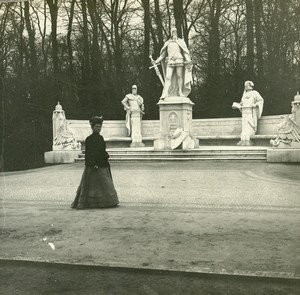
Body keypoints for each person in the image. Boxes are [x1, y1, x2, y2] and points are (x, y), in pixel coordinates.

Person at [71, 116, 119, 209]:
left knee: (104, 183)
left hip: (102, 163)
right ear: (92, 127)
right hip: (93, 165)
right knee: (91, 185)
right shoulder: (89, 139)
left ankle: (107, 202)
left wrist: (105, 155)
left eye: (99, 127)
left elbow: (102, 150)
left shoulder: (101, 138)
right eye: (96, 126)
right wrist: (93, 164)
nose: (98, 128)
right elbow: (89, 153)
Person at [154, 27, 193, 99]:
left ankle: (180, 92)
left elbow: (185, 52)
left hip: (179, 60)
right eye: (173, 32)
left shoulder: (181, 42)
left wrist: (188, 60)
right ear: (171, 33)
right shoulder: (167, 43)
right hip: (170, 61)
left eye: (175, 31)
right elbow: (162, 55)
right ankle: (165, 93)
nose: (174, 33)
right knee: (168, 77)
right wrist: (157, 61)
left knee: (179, 76)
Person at [233, 81, 264, 146]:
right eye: (245, 86)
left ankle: (248, 140)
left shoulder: (255, 93)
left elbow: (261, 100)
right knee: (244, 128)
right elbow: (242, 103)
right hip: (244, 113)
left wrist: (255, 105)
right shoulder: (244, 94)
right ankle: (244, 140)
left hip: (251, 113)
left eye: (246, 85)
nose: (245, 87)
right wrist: (237, 105)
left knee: (250, 126)